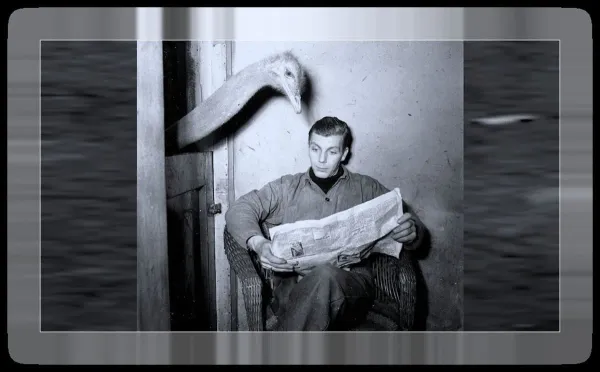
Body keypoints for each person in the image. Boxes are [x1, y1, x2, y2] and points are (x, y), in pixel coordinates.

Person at [225, 116, 426, 331]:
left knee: (325, 275)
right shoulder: (286, 188)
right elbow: (238, 209)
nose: (321, 159)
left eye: (331, 152)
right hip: (294, 286)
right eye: (315, 149)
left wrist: (412, 231)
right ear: (308, 148)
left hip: (352, 288)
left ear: (344, 154)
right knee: (321, 279)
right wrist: (259, 244)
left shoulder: (366, 188)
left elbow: (412, 225)